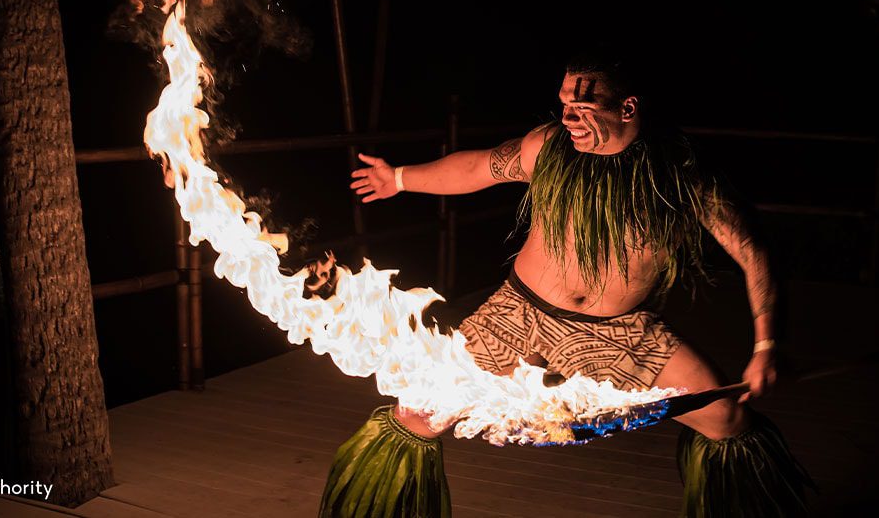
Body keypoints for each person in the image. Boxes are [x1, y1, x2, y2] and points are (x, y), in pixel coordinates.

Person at [320, 46, 814, 517]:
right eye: (564, 105)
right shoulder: (549, 147)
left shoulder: (681, 173)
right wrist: (399, 178)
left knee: (725, 418)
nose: (569, 118)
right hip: (517, 314)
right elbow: (478, 166)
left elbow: (752, 251)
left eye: (583, 107)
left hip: (617, 333)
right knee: (416, 415)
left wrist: (766, 345)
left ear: (627, 107)